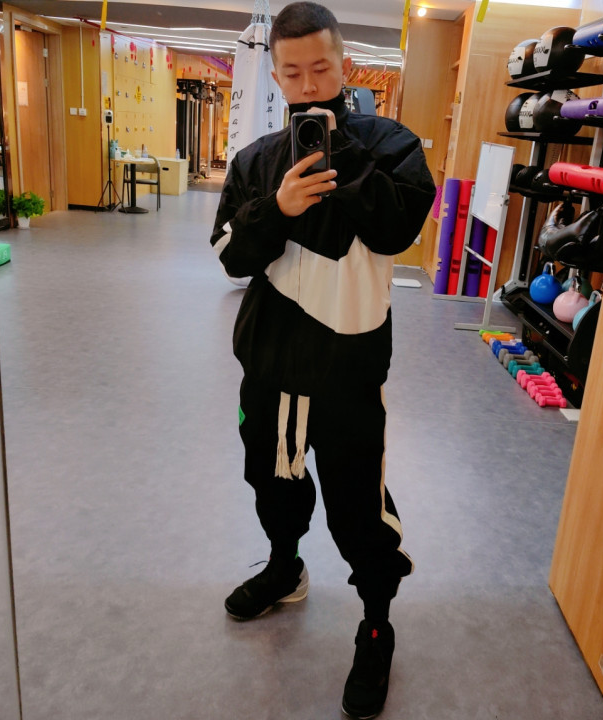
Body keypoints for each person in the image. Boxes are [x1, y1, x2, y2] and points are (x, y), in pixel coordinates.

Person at [210, 3, 435, 717]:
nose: (308, 84)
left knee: (358, 504)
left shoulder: (393, 145)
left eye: (321, 68)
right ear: (275, 75)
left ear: (346, 65)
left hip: (350, 370)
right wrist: (275, 209)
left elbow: (398, 229)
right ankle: (285, 567)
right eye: (293, 72)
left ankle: (377, 620)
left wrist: (348, 158)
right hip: (272, 363)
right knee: (270, 481)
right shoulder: (255, 160)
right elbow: (229, 256)